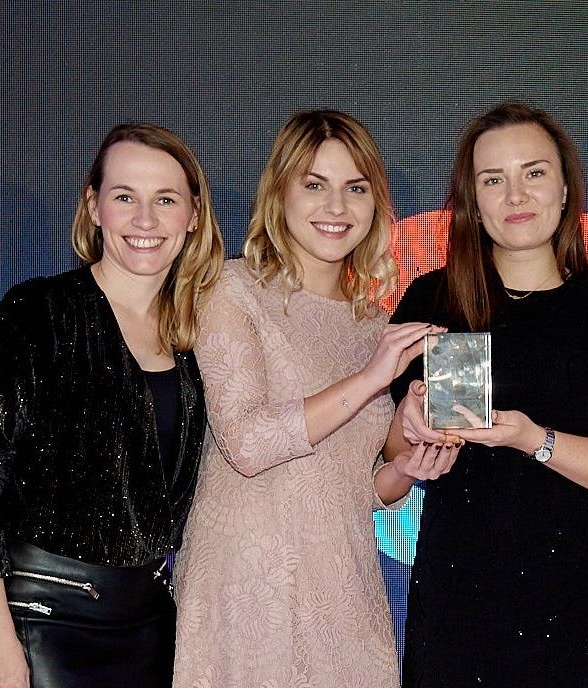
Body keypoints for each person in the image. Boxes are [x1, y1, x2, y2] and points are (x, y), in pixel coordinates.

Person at [173, 109, 453, 688]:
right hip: (250, 592)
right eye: (315, 185)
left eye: (356, 188)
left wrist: (404, 468)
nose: (337, 207)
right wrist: (371, 379)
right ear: (280, 192)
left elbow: (353, 490)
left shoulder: (373, 327)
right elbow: (247, 444)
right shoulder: (231, 290)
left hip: (345, 591)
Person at [385, 101, 588, 687]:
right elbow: (389, 457)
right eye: (493, 180)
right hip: (459, 603)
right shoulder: (433, 301)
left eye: (534, 172)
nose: (516, 195)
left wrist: (531, 438)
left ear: (565, 189)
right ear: (472, 200)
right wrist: (410, 421)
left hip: (582, 606)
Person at [0, 123, 224, 688]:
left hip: (152, 627)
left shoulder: (198, 335)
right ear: (93, 206)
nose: (145, 220)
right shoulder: (40, 312)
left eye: (166, 200)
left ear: (193, 216)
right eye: (125, 197)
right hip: (43, 622)